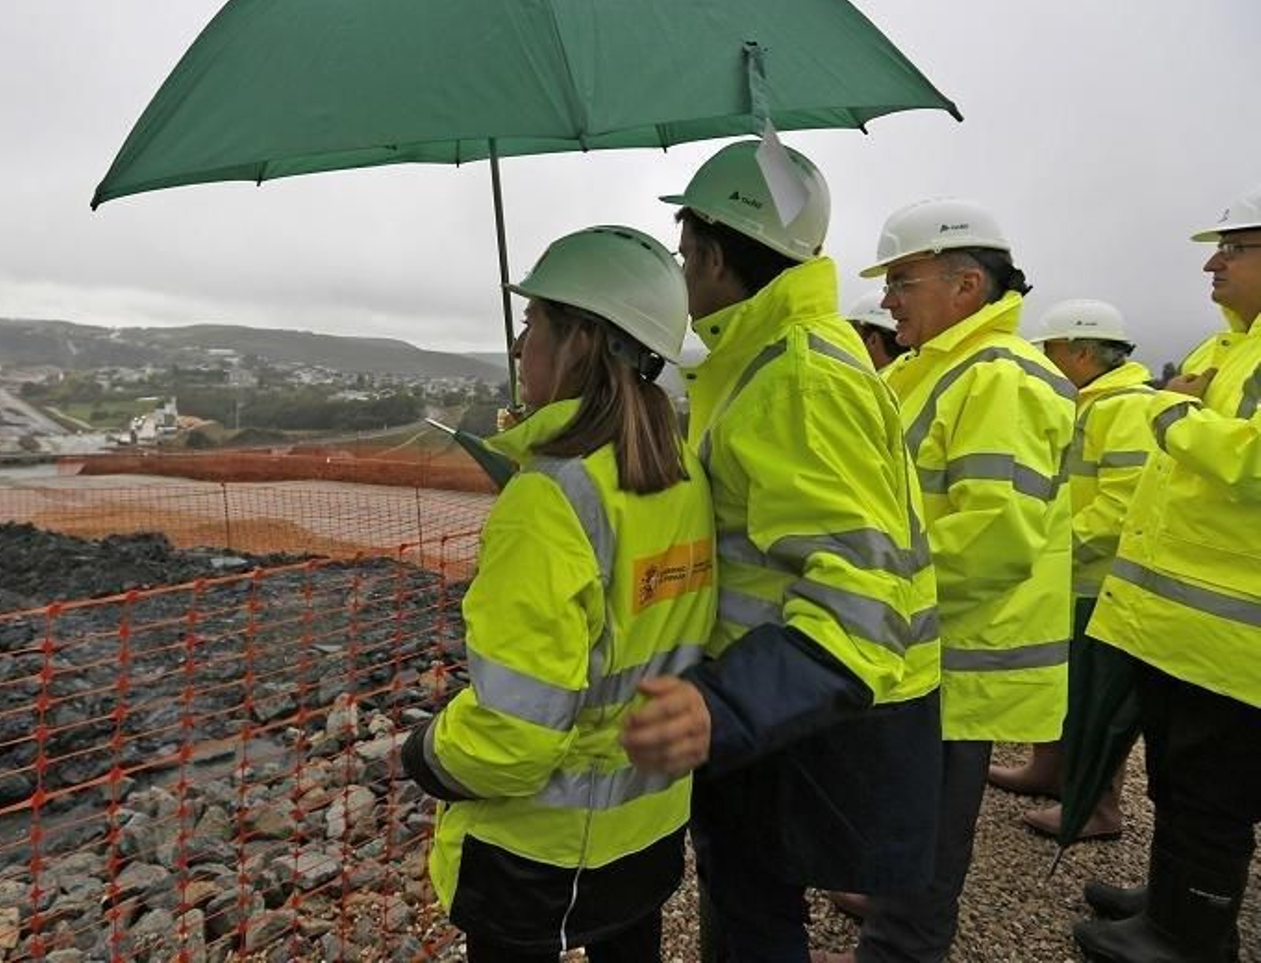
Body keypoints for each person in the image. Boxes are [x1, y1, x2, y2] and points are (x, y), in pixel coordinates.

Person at [618, 140, 942, 963]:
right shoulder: (764, 353)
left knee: (755, 915)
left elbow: (861, 601)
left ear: (715, 257)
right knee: (749, 902)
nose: (682, 273)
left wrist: (721, 707)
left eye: (686, 254)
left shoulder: (798, 377)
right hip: (786, 694)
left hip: (796, 705)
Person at [400, 225, 717, 962]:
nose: (519, 348)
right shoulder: (683, 474)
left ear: (579, 339)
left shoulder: (549, 499)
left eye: (532, 322)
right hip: (648, 827)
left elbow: (514, 740)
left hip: (539, 855)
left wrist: (425, 753)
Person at [819, 198, 1076, 963]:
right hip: (925, 641)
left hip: (957, 652)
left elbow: (994, 537)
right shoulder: (936, 367)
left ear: (967, 286)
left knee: (929, 827)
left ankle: (899, 948)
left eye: (903, 280)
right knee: (905, 810)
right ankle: (888, 906)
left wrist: (872, 597)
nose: (888, 298)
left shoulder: (1000, 379)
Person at [1073, 185, 1261, 963]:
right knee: (1177, 780)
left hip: (1235, 640)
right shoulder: (1225, 348)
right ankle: (1170, 901)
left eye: (1234, 248)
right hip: (1180, 627)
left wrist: (1174, 414)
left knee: (1215, 792)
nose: (1214, 263)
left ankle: (1194, 936)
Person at [988, 299, 1175, 840]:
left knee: (1098, 696)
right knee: (1064, 680)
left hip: (1103, 581)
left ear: (1082, 351)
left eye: (1050, 350)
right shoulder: (1089, 402)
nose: (1044, 361)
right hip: (1075, 578)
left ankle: (1097, 807)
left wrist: (1055, 550)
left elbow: (1124, 504)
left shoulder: (1127, 407)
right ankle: (1049, 769)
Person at [848, 293, 910, 371]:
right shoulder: (914, 374)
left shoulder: (859, 378)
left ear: (873, 340)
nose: (847, 343)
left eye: (853, 333)